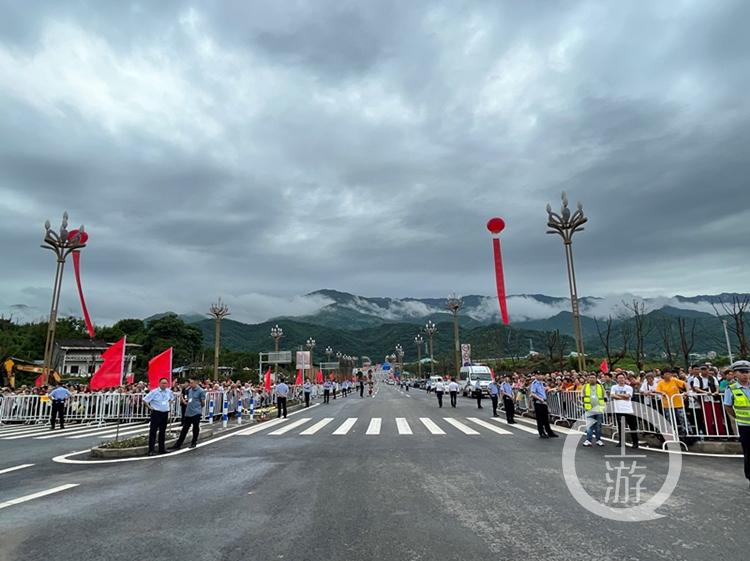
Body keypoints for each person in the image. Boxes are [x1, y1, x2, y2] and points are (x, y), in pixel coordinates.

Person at [723, 360, 750, 485]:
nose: (745, 375)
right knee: (749, 452)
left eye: (748, 372)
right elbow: (728, 407)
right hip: (745, 426)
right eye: (742, 372)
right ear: (735, 373)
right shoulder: (731, 389)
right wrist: (738, 417)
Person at [170, 377, 206, 450]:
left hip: (196, 412)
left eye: (192, 383)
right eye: (190, 383)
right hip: (188, 411)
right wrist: (184, 401)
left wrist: (197, 407)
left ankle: (194, 442)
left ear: (196, 382)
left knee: (195, 428)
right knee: (185, 429)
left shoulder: (201, 391)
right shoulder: (189, 390)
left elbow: (203, 403)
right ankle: (178, 444)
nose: (190, 384)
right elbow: (189, 400)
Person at [144, 377, 175, 456]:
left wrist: (168, 404)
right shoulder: (154, 392)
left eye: (165, 383)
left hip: (165, 413)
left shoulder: (169, 391)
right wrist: (150, 407)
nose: (164, 385)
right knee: (153, 431)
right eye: (162, 383)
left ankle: (162, 448)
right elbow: (145, 400)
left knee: (162, 431)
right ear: (159, 383)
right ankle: (151, 450)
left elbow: (172, 398)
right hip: (156, 413)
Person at [656, 369, 688, 435]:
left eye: (669, 374)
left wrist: (687, 392)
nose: (668, 375)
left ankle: (687, 432)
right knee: (669, 419)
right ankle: (671, 433)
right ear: (663, 375)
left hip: (678, 403)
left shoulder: (674, 380)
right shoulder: (660, 383)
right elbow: (657, 390)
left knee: (682, 418)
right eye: (666, 374)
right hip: (667, 404)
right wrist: (662, 393)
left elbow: (685, 384)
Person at [611, 373, 639, 448]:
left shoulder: (629, 387)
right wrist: (623, 396)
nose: (621, 379)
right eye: (619, 378)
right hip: (618, 410)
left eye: (622, 378)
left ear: (625, 378)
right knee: (621, 427)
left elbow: (628, 396)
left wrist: (618, 395)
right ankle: (621, 442)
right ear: (617, 379)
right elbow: (612, 395)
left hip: (628, 409)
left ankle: (635, 442)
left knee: (632, 426)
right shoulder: (614, 387)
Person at [529, 372, 557, 438]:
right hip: (538, 402)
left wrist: (548, 389)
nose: (541, 376)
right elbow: (532, 393)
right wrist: (540, 399)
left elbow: (543, 391)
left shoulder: (542, 383)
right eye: (539, 375)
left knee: (545, 418)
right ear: (536, 376)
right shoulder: (535, 383)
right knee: (540, 418)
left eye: (541, 374)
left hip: (543, 402)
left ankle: (549, 432)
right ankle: (541, 432)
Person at [581, 373, 605, 447]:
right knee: (589, 426)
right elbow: (582, 397)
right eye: (590, 378)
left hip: (599, 409)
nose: (592, 379)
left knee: (598, 426)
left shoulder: (600, 386)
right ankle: (588, 440)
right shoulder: (585, 387)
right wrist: (584, 406)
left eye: (593, 377)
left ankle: (598, 440)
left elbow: (604, 397)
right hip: (589, 409)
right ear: (588, 379)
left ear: (596, 379)